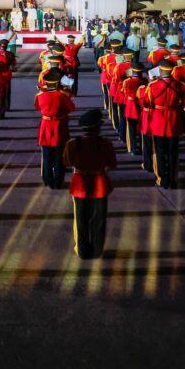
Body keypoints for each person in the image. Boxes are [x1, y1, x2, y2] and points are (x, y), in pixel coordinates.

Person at [62, 109, 117, 259]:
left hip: (80, 184)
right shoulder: (105, 144)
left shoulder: (73, 144)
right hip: (99, 183)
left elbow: (66, 162)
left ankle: (82, 250)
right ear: (98, 127)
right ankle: (97, 249)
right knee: (99, 218)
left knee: (80, 218)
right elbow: (112, 163)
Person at [140, 59, 185, 189]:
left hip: (158, 121)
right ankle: (173, 180)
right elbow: (184, 102)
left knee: (159, 151)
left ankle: (163, 179)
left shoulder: (153, 86)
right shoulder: (180, 85)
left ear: (160, 70)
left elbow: (146, 102)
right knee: (173, 152)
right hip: (174, 120)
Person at [35, 68, 76, 189]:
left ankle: (48, 180)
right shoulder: (62, 95)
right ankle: (58, 180)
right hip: (60, 125)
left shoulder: (40, 95)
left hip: (46, 125)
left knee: (47, 155)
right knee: (59, 155)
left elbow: (38, 107)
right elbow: (72, 108)